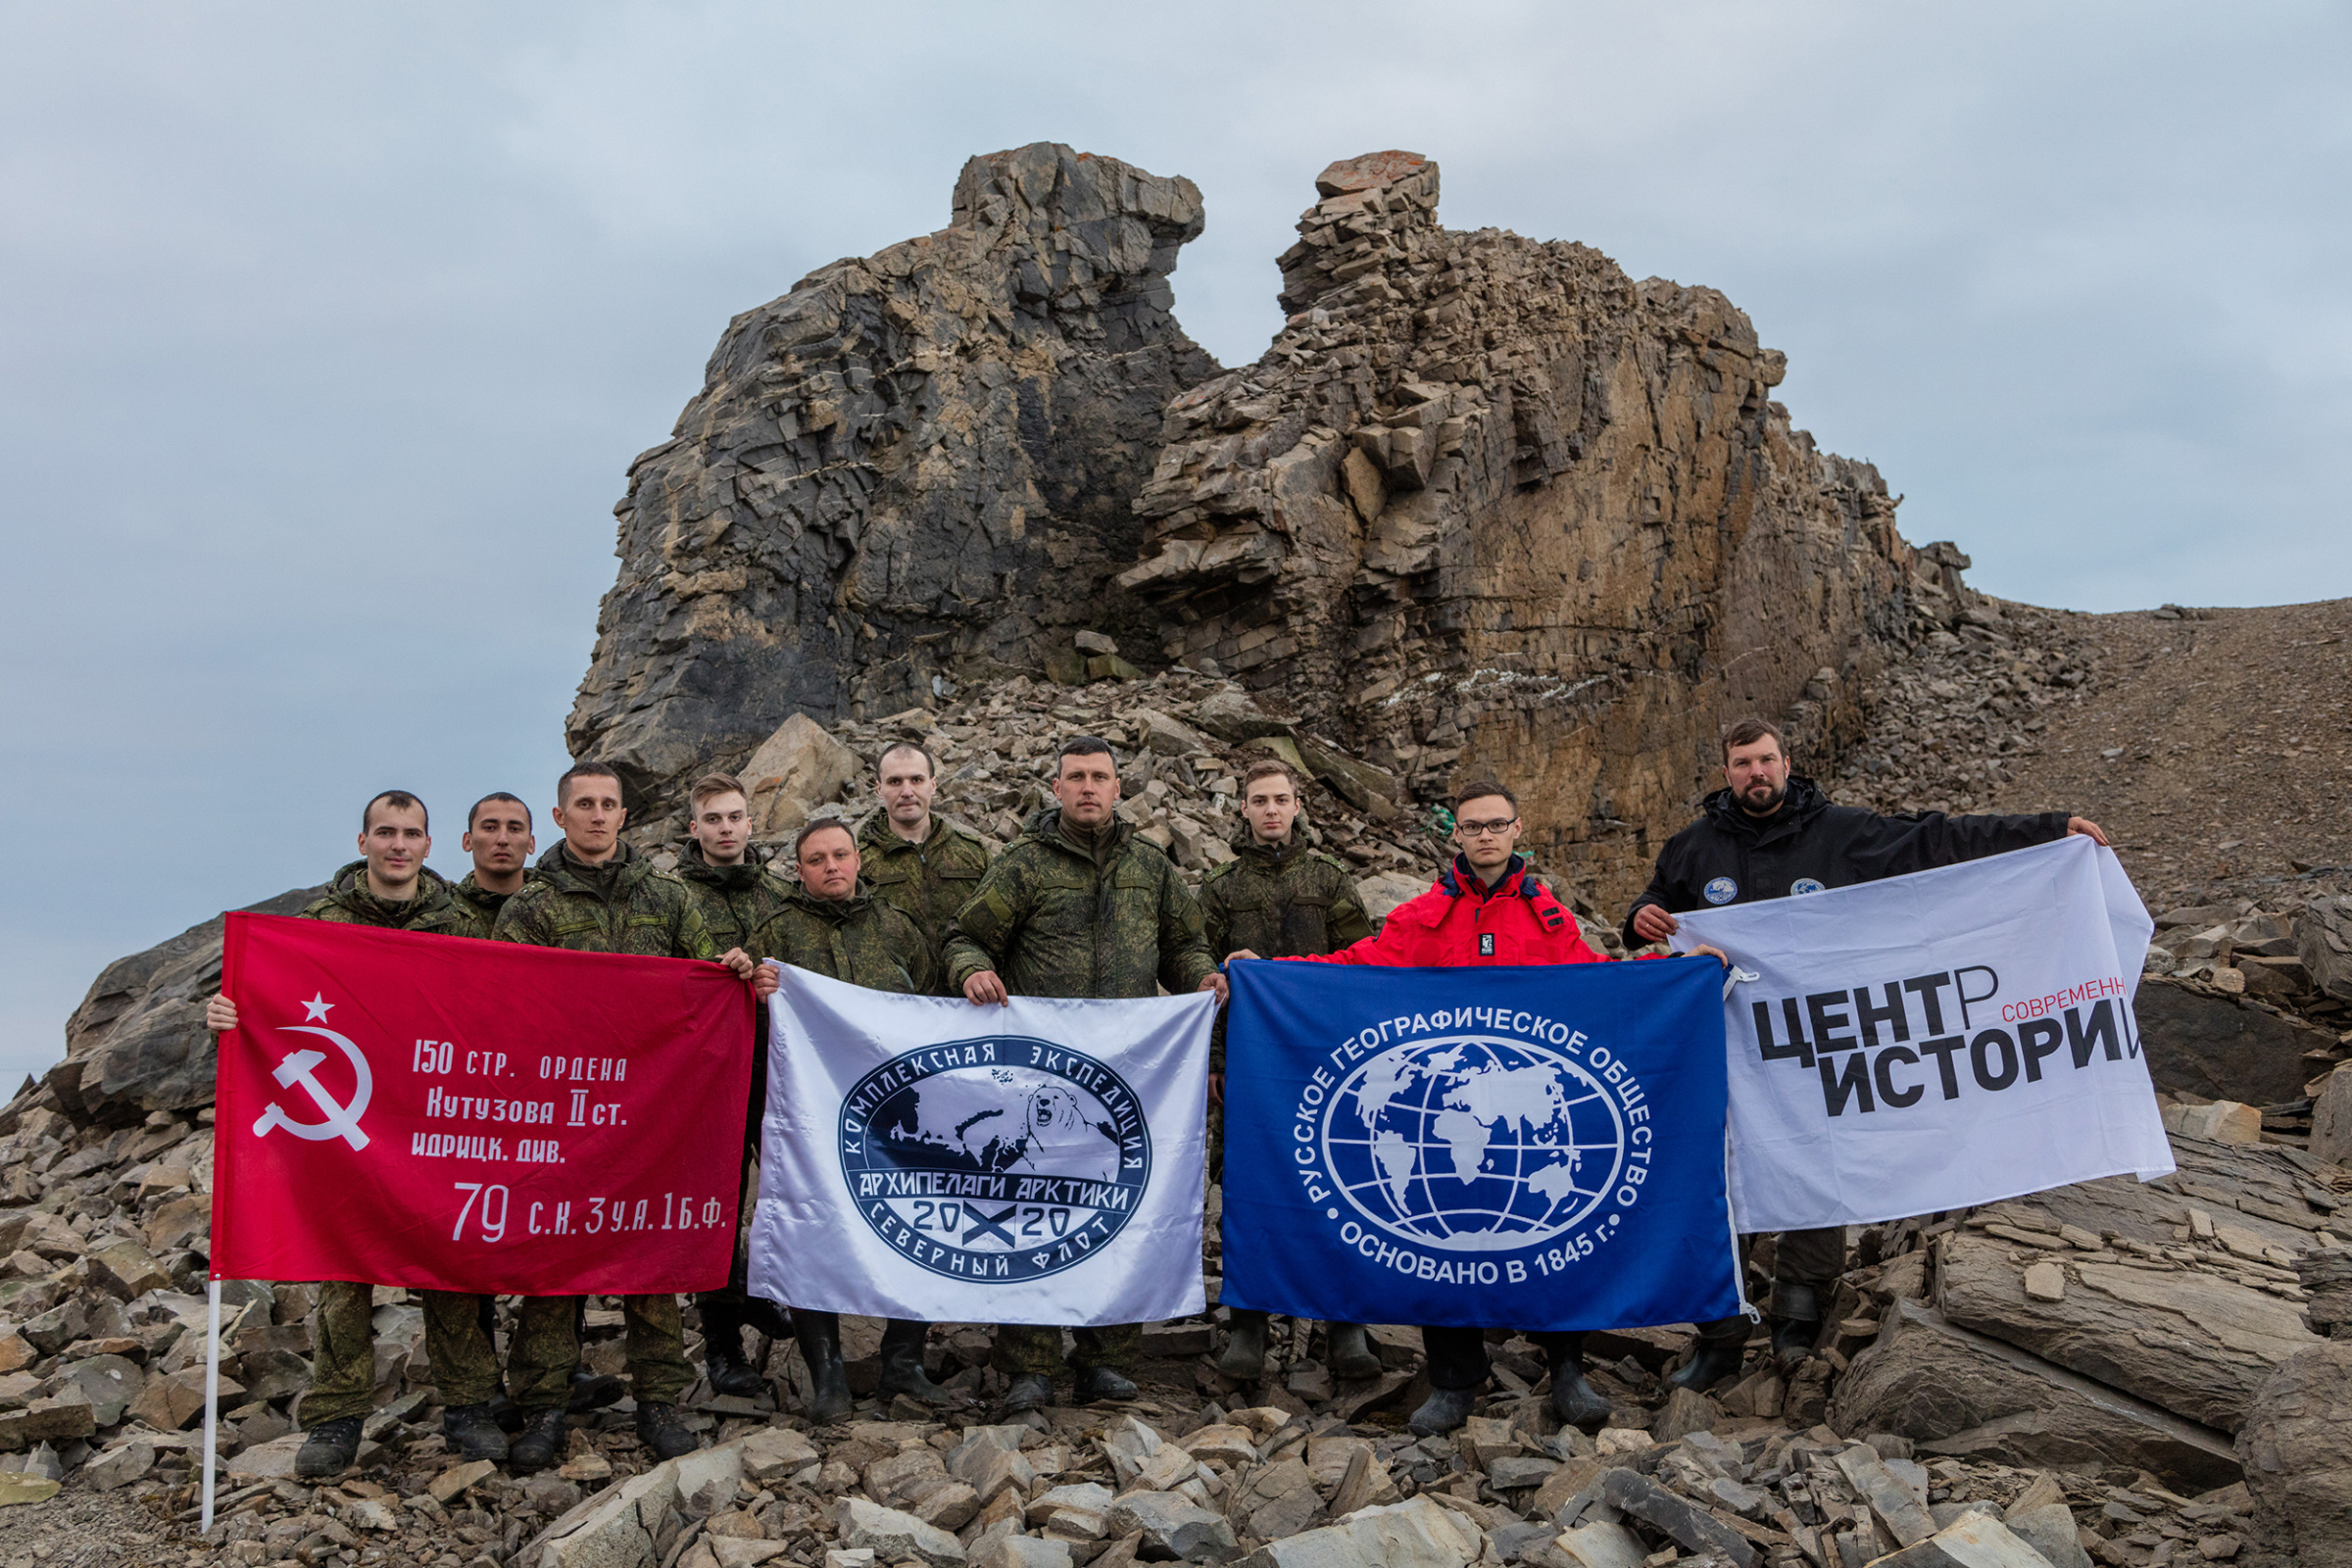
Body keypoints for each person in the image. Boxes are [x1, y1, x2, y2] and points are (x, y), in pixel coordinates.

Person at [1624, 716, 2109, 1391]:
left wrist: (2050, 830)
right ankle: (1720, 1334)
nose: (1756, 773)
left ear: (1787, 763)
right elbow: (1656, 908)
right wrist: (1642, 914)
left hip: (1819, 1046)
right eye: (1742, 764)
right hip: (1729, 1047)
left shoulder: (1842, 834)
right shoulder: (1692, 848)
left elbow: (1936, 839)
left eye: (1766, 760)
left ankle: (1798, 1319)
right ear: (1727, 773)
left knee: (1816, 1160)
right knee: (1722, 1176)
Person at [1264, 780, 1726, 1438]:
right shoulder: (1422, 917)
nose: (1484, 836)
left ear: (1516, 831)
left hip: (1526, 1114)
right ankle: (1455, 1380)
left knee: (1556, 1231)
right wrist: (1266, 977)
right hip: (1449, 1115)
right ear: (1456, 835)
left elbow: (1599, 986)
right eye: (1472, 826)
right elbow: (1353, 968)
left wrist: (1679, 972)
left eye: (1496, 825)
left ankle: (1567, 1370)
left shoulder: (1548, 917)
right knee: (1438, 1240)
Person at [202, 791, 510, 1475]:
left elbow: (498, 1010)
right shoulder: (315, 926)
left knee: (449, 1262)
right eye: (386, 832)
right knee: (342, 1269)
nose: (399, 844)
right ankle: (337, 1419)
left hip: (433, 1121)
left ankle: (468, 1407)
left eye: (411, 833)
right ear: (363, 840)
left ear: (430, 845)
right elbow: (266, 1008)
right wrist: (227, 1013)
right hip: (345, 1132)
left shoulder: (464, 925)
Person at [491, 762, 774, 1468]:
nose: (596, 815)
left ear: (624, 815)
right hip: (563, 1117)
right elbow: (502, 1009)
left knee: (652, 1256)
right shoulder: (529, 909)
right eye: (583, 805)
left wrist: (733, 969)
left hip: (652, 1117)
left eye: (608, 804)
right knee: (557, 1264)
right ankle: (546, 1410)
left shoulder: (668, 896)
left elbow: (703, 983)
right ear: (560, 818)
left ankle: (658, 1405)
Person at [944, 735, 1228, 1412]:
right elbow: (965, 935)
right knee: (1034, 1211)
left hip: (1130, 1077)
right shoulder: (1022, 865)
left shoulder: (1150, 866)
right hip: (1041, 1075)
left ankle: (1106, 1358)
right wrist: (972, 970)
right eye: (1076, 777)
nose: (1089, 788)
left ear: (1119, 787)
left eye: (1100, 777)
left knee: (1118, 1204)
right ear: (1057, 786)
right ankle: (1030, 1366)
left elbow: (1183, 943)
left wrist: (1200, 977)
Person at [749, 817, 950, 1420]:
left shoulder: (897, 927)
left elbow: (938, 1009)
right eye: (816, 859)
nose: (831, 867)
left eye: (840, 855)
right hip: (811, 1114)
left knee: (919, 1220)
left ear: (858, 859)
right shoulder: (775, 931)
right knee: (813, 1228)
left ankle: (904, 1362)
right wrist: (754, 989)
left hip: (899, 1116)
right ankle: (828, 1375)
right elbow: (744, 1018)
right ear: (800, 869)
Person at [1198, 760, 1381, 1385]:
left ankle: (1345, 1325)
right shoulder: (1220, 887)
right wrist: (1217, 1059)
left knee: (1340, 1183)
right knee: (1248, 1190)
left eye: (1281, 799)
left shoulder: (1329, 879)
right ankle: (1248, 1323)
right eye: (1258, 800)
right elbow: (1204, 980)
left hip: (1327, 1064)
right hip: (1248, 1067)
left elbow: (1369, 965)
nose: (1271, 810)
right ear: (1242, 809)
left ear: (1298, 804)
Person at [671, 772, 800, 1398]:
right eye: (713, 819)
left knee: (788, 1195)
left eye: (735, 817)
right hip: (703, 1077)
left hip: (777, 1070)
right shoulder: (669, 895)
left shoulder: (781, 893)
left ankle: (770, 1293)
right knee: (715, 1207)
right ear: (694, 828)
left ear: (752, 823)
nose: (726, 828)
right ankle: (724, 1351)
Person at [857, 740, 992, 957]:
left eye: (917, 780)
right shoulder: (857, 862)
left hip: (968, 986)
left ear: (933, 784)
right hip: (895, 990)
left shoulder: (973, 853)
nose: (907, 791)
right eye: (895, 782)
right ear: (879, 789)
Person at [450, 792, 537, 930]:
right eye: (490, 828)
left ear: (531, 844)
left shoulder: (553, 908)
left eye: (515, 829)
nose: (502, 840)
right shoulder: (444, 912)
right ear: (468, 841)